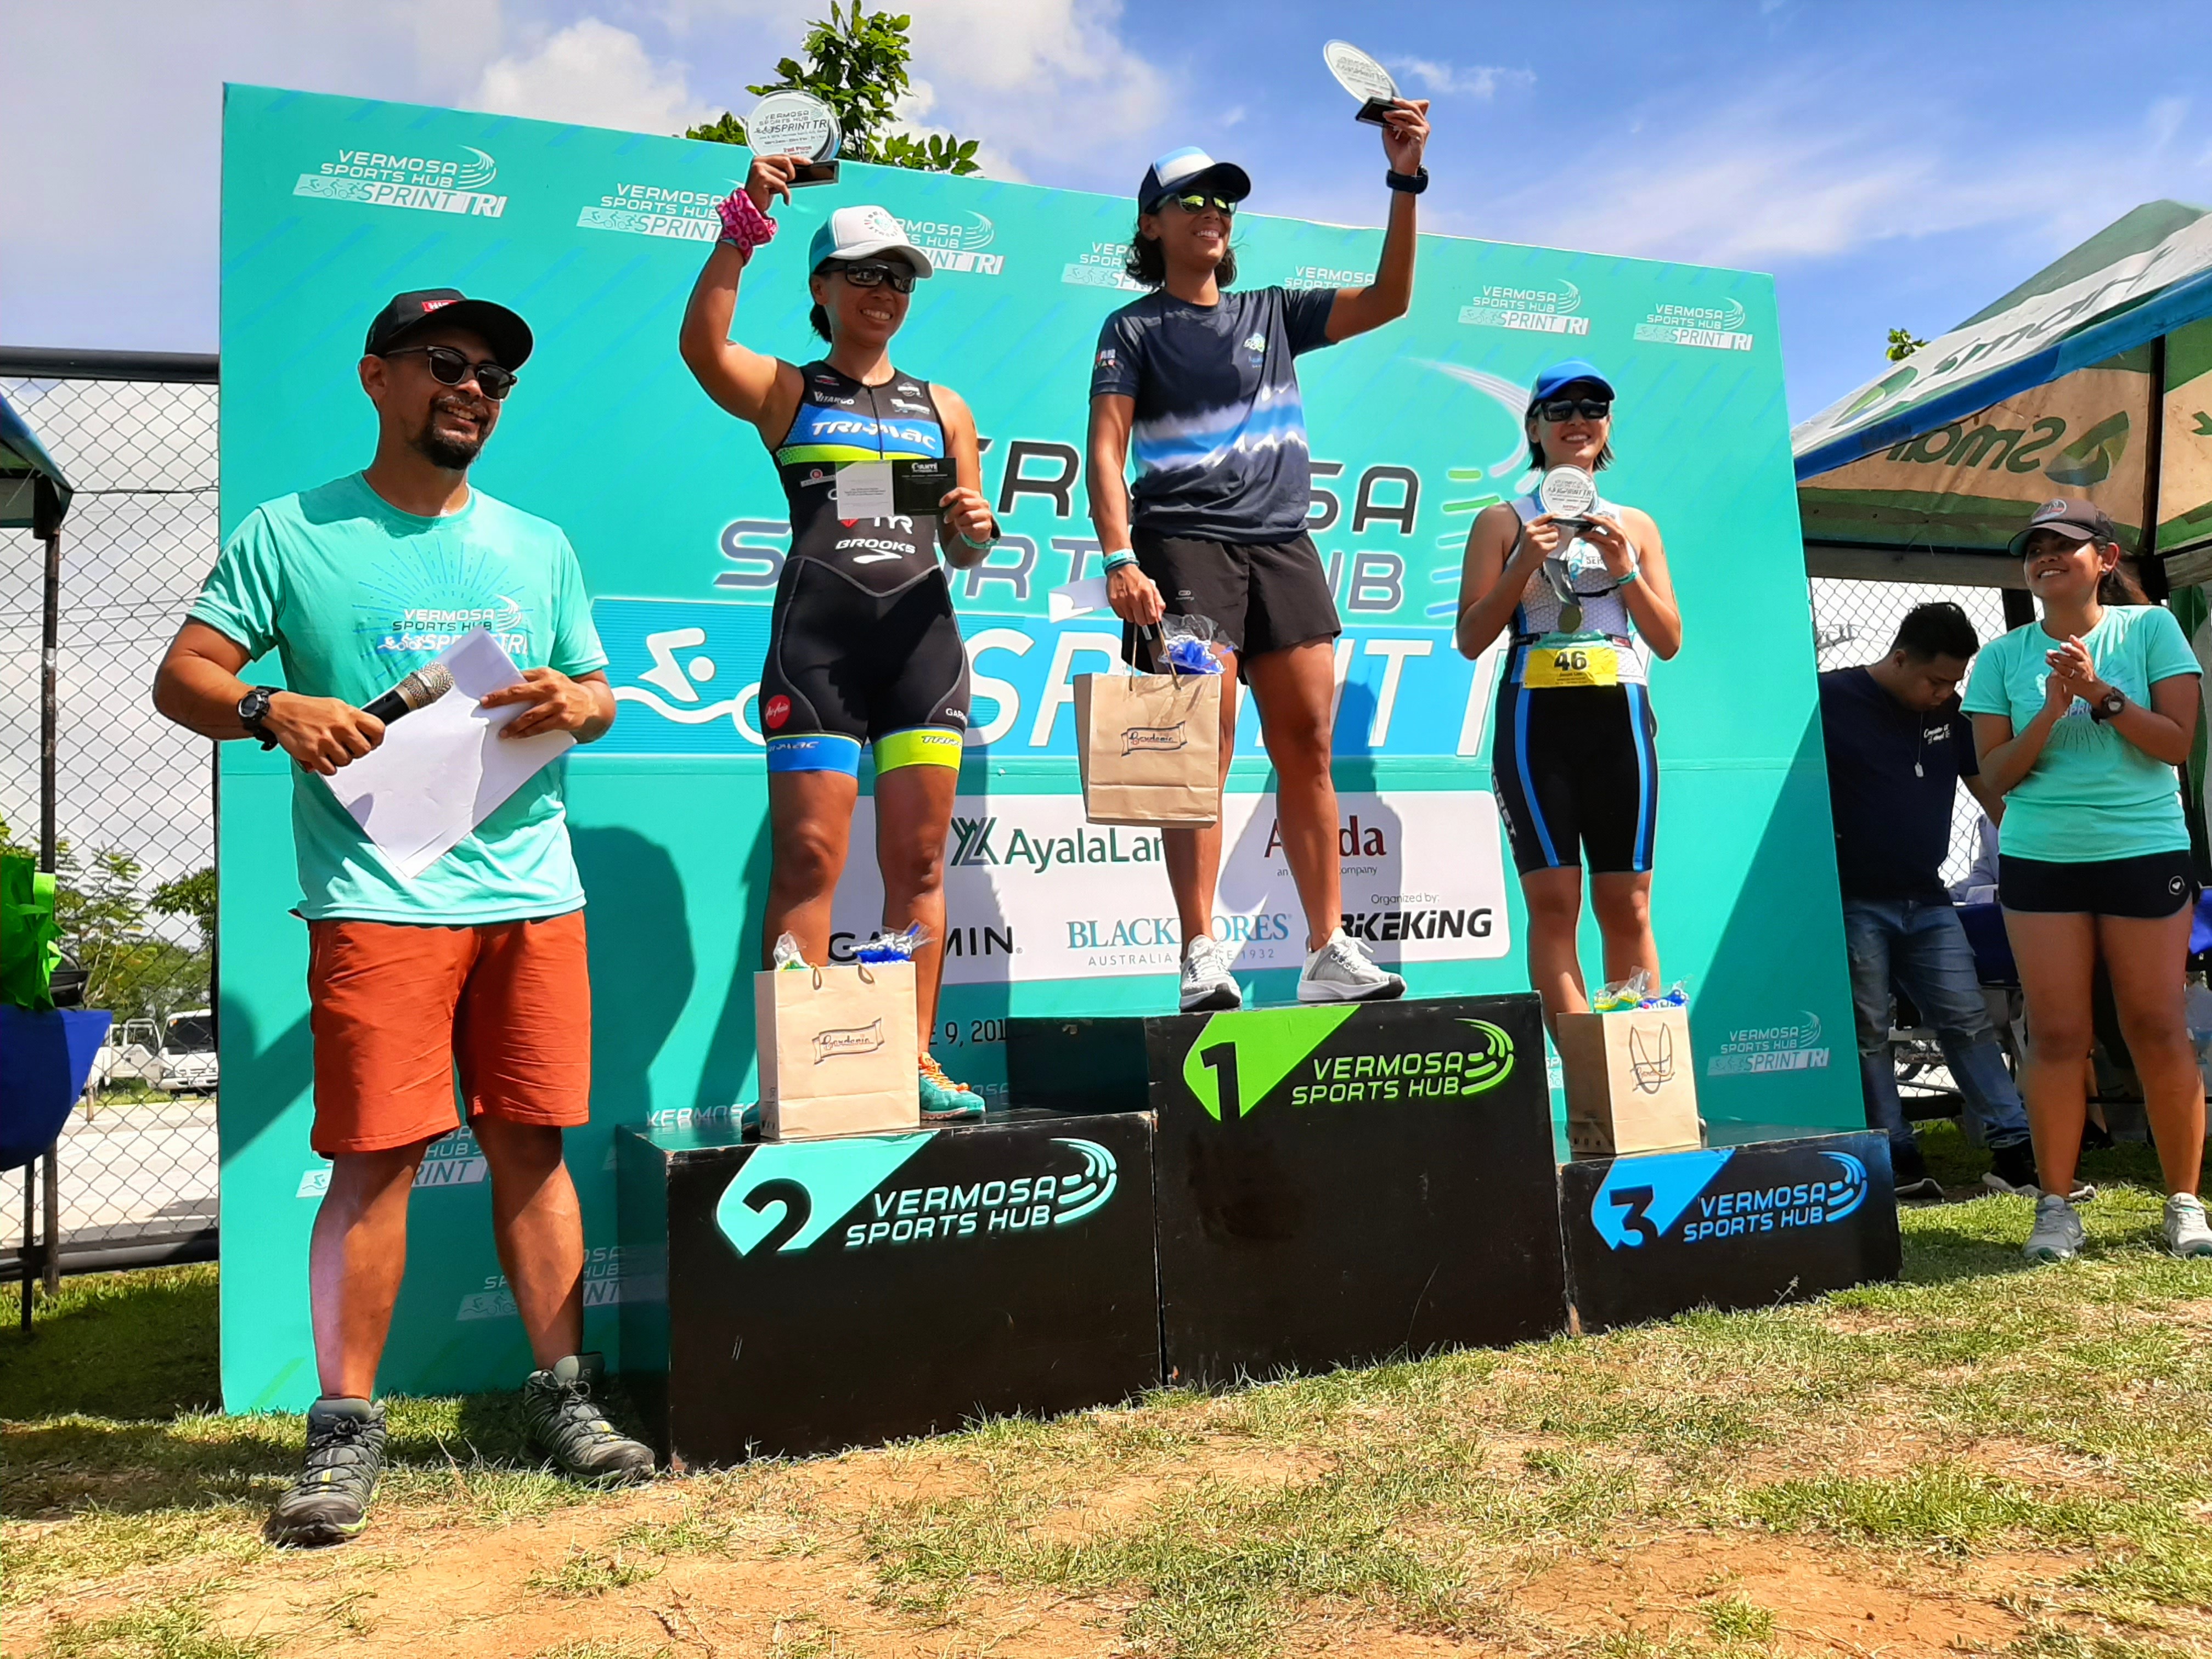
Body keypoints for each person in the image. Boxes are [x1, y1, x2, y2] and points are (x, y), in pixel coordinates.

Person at [152, 289, 653, 1547]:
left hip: (534, 895)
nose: (474, 388)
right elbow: (184, 678)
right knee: (375, 1160)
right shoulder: (290, 531)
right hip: (378, 901)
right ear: (377, 377)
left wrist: (579, 705)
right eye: (447, 362)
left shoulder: (538, 545)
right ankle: (344, 1430)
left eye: (495, 376)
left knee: (533, 1145)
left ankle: (568, 1398)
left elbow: (597, 691)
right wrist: (271, 709)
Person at [1087, 110, 1432, 1012]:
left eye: (1223, 200)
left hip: (1282, 545)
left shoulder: (1272, 312)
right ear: (1151, 224)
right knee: (1197, 746)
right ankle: (1199, 951)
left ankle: (1327, 950)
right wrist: (1119, 555)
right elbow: (1106, 448)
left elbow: (1390, 298)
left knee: (1308, 744)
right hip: (1182, 544)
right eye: (1190, 200)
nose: (1212, 211)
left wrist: (1404, 179)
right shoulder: (1130, 328)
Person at [679, 165, 997, 1114]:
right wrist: (744, 217)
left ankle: (913, 1062)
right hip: (818, 650)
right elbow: (703, 347)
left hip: (922, 650)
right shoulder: (789, 389)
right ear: (821, 286)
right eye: (863, 273)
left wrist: (975, 530)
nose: (883, 291)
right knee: (811, 858)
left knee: (920, 864)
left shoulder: (947, 408)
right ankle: (798, 1071)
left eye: (898, 277)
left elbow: (963, 545)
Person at [1963, 499, 2210, 1262]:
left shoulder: (2152, 629)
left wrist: (2102, 693)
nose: (2044, 556)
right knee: (2057, 1032)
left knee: (2156, 1025)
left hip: (2145, 850)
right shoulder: (2002, 657)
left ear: (2104, 559)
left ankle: (2184, 1203)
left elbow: (2176, 746)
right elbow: (1995, 776)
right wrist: (2050, 710)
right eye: (2034, 547)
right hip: (2042, 858)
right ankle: (2055, 1206)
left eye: (2062, 545)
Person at [1452, 363, 1684, 1028]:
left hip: (1620, 717)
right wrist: (1524, 563)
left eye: (1593, 407)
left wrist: (1625, 570)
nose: (1578, 420)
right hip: (1536, 722)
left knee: (1629, 904)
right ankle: (1587, 1067)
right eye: (1560, 410)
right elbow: (1471, 637)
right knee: (1555, 905)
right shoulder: (1503, 521)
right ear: (1535, 428)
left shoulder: (1635, 525)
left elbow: (1668, 640)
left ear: (1607, 424)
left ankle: (1638, 1064)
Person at [1820, 601, 2036, 1200]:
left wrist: (2031, 855)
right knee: (1869, 1029)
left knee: (1968, 1021)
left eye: (1954, 683)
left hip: (1929, 897)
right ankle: (1894, 1157)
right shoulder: (1828, 699)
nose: (1945, 694)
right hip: (1853, 898)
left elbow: (1990, 793)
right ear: (1899, 659)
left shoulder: (1951, 715)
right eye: (1936, 681)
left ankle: (2016, 1150)